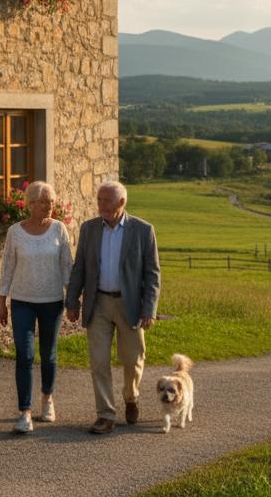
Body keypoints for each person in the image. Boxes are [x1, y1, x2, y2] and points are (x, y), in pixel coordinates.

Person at [65, 180, 161, 434]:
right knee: (99, 362)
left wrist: (149, 309)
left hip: (130, 305)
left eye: (106, 200)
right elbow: (80, 267)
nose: (101, 205)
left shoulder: (143, 230)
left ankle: (131, 397)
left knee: (132, 359)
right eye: (99, 199)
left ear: (122, 202)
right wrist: (72, 301)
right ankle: (105, 414)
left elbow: (152, 274)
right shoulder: (89, 229)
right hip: (97, 303)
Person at [0, 181, 73, 434]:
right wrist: (2, 302)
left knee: (48, 353)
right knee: (25, 355)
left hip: (52, 301)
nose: (49, 206)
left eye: (51, 202)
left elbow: (67, 266)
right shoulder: (15, 232)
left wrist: (73, 299)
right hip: (22, 301)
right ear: (30, 204)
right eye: (43, 202)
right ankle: (25, 412)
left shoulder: (59, 229)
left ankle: (47, 398)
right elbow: (7, 267)